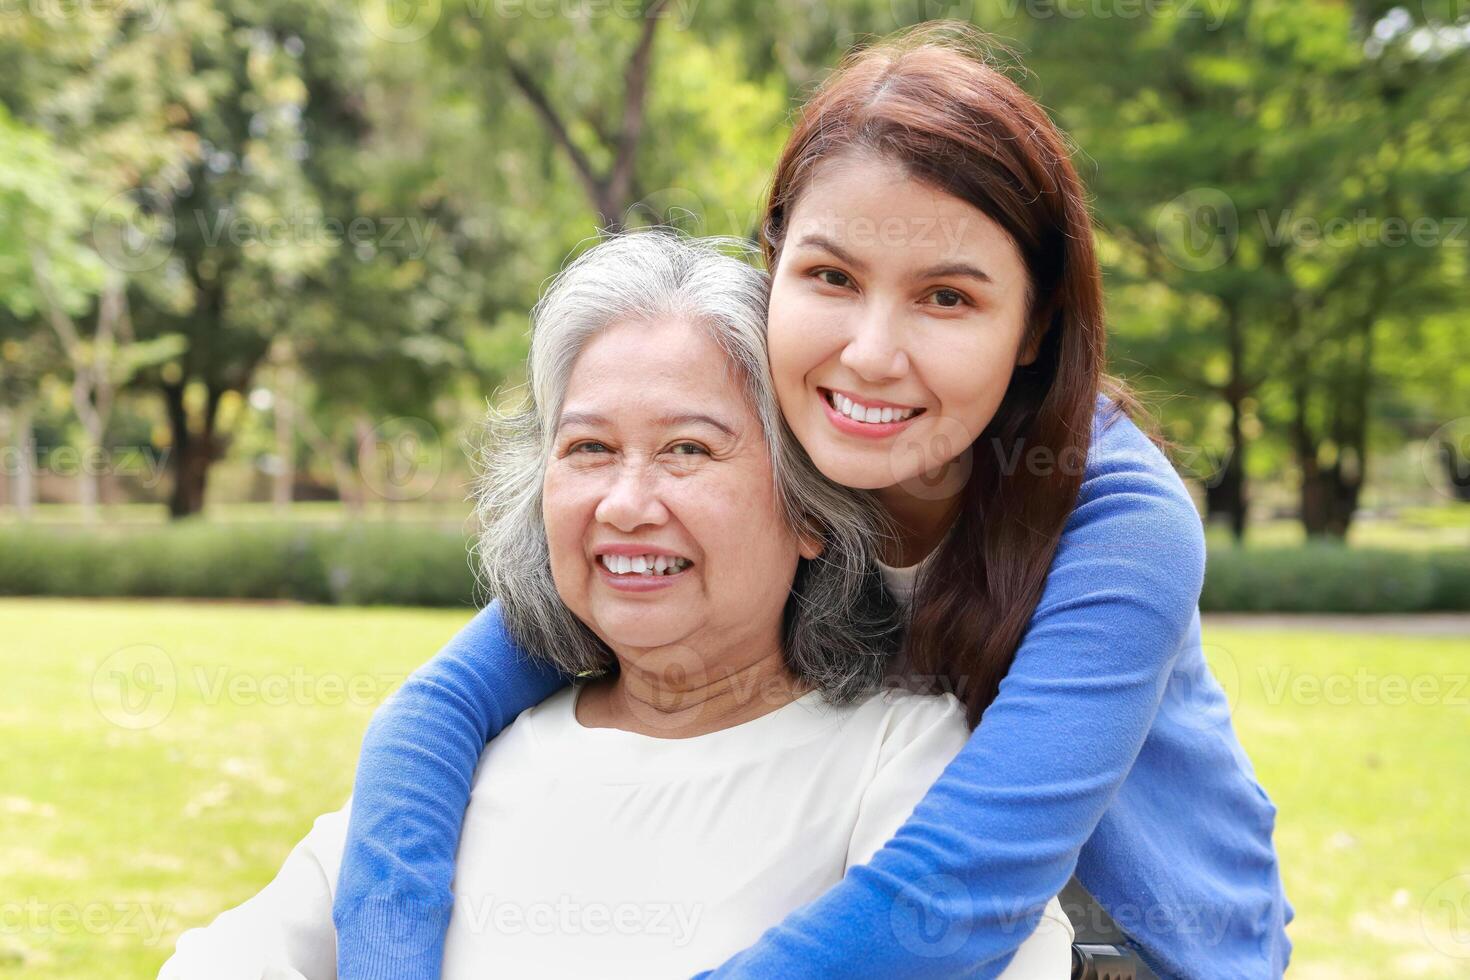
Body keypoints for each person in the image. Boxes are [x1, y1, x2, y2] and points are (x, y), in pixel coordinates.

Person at [333, 24, 1293, 980]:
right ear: (776, 263)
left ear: (1037, 321)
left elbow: (953, 901)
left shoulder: (1122, 525)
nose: (870, 354)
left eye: (947, 298)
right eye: (832, 277)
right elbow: (435, 712)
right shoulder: (767, 441)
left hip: (1138, 956)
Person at [158, 234, 1074, 979]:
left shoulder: (900, 758)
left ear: (811, 512)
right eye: (588, 448)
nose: (625, 503)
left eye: (686, 450)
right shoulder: (460, 765)